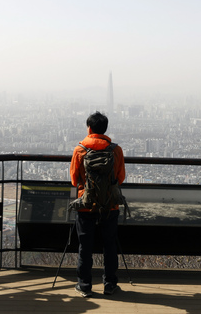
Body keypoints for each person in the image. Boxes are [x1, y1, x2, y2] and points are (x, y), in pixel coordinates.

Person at [70, 111, 126, 297]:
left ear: (89, 128)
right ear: (105, 129)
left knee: (85, 246)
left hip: (86, 205)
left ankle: (84, 285)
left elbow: (74, 179)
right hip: (110, 205)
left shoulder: (80, 150)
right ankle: (109, 284)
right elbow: (120, 177)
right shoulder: (115, 150)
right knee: (109, 245)